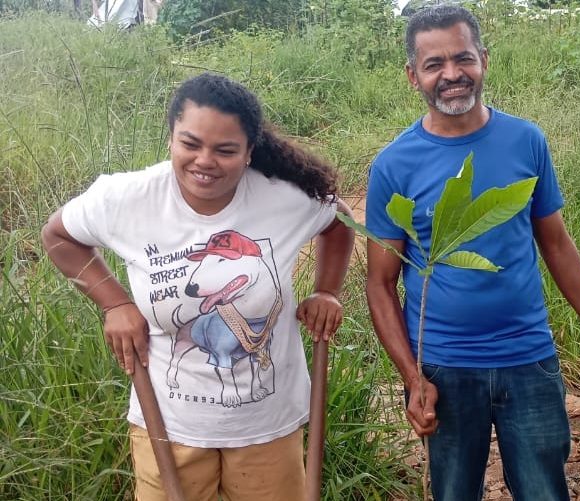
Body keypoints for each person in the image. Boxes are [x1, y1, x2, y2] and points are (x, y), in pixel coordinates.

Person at [364, 5, 580, 500]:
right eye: (434, 65)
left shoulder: (526, 140)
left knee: (544, 489)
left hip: (529, 357)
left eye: (463, 58)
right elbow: (380, 282)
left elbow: (556, 243)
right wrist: (412, 377)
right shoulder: (394, 164)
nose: (451, 74)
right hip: (443, 367)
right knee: (454, 492)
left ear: (484, 60)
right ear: (413, 76)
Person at [41, 73, 355, 500]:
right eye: (190, 144)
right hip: (169, 426)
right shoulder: (126, 198)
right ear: (170, 137)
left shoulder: (282, 198)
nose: (204, 161)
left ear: (249, 153)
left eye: (225, 150)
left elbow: (339, 223)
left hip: (267, 424)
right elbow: (58, 236)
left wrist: (327, 291)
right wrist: (114, 304)